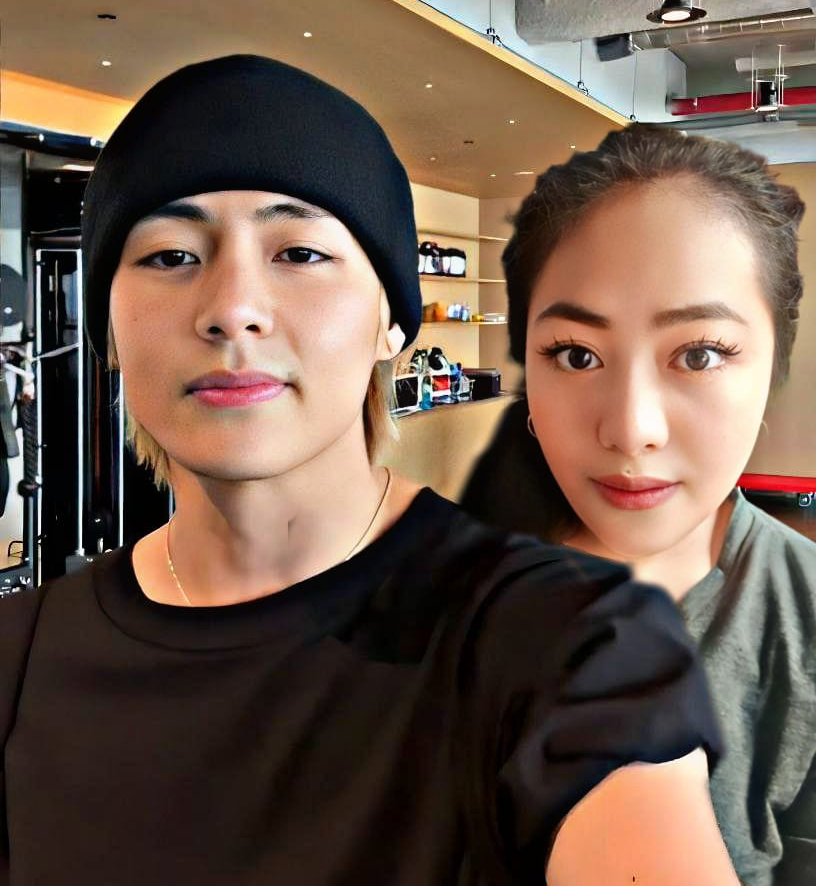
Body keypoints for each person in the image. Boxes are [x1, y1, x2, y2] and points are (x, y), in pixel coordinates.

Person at [0, 60, 739, 886]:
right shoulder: (19, 660)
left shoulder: (569, 645)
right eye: (171, 255)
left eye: (299, 252)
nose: (232, 308)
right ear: (109, 324)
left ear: (392, 320)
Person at [461, 123, 816, 886]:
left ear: (773, 367)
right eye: (577, 355)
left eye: (699, 354)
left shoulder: (803, 615)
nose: (630, 429)